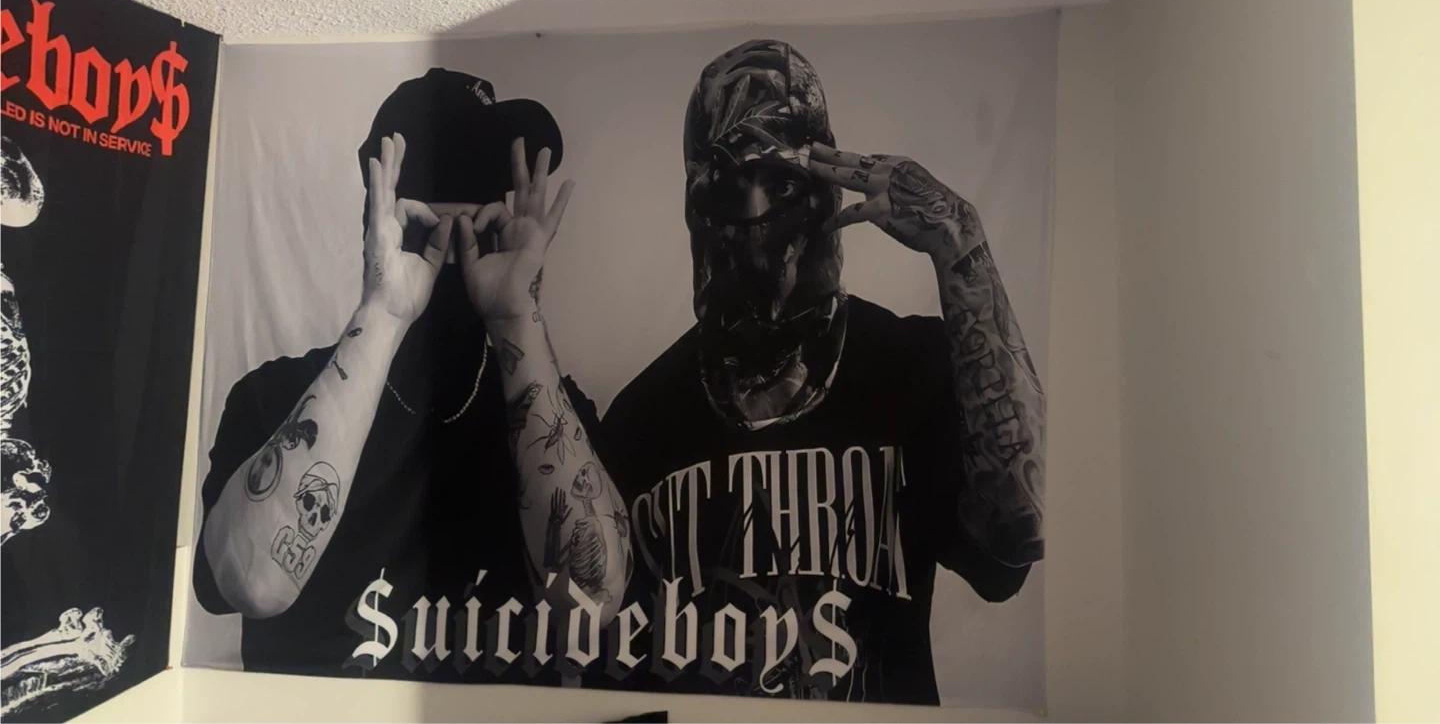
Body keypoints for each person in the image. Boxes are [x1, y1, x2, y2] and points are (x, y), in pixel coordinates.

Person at [599, 40, 1045, 704]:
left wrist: (961, 245)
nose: (754, 216)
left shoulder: (910, 369)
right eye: (724, 186)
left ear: (826, 189)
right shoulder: (640, 419)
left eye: (781, 183)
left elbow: (1017, 535)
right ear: (694, 207)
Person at [193, 69, 630, 682]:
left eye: (479, 233)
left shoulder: (549, 413)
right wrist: (384, 312)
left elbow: (593, 600)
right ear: (377, 231)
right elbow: (253, 584)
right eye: (427, 232)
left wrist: (517, 317)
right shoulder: (275, 401)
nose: (452, 257)